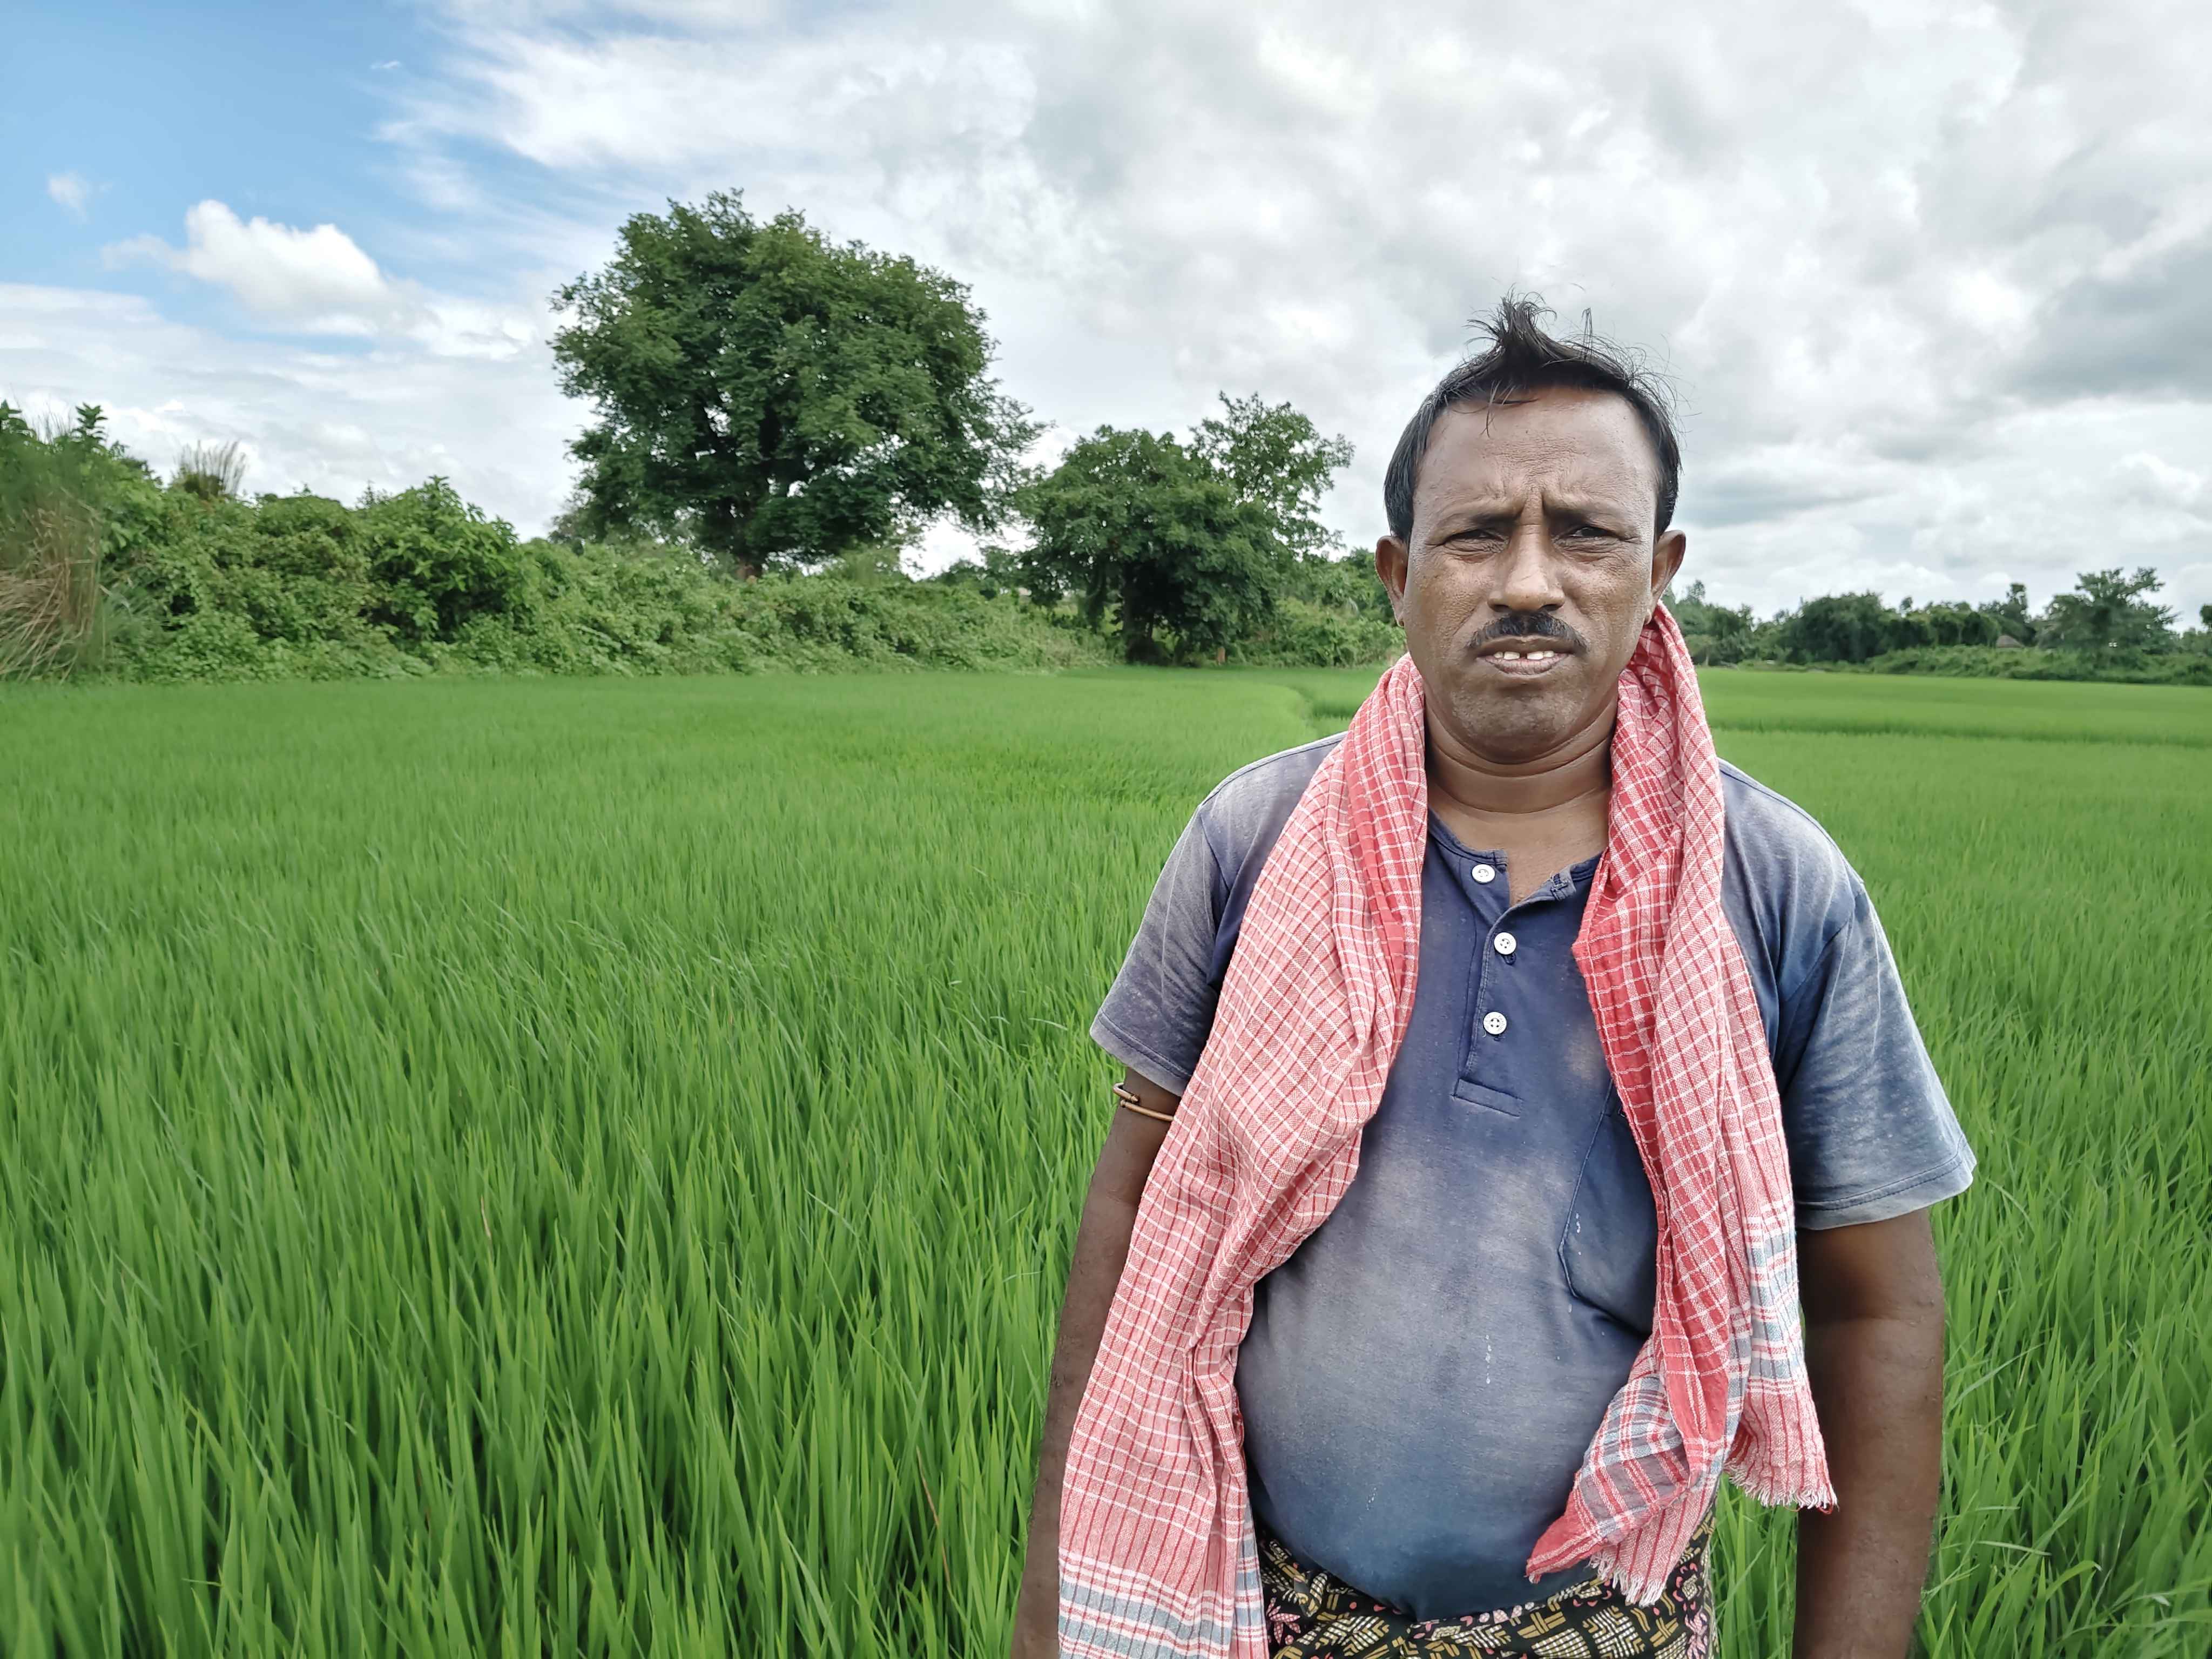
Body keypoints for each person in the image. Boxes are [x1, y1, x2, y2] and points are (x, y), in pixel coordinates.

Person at [1009, 296, 1975, 1659]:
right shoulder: (1257, 838)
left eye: (1584, 532)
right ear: (1398, 576)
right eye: (1474, 533)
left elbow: (1876, 1310)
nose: (1528, 580)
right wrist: (1051, 1607)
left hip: (1610, 1628)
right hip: (1259, 1611)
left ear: (1659, 569)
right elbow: (1130, 1209)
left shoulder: (1771, 884)